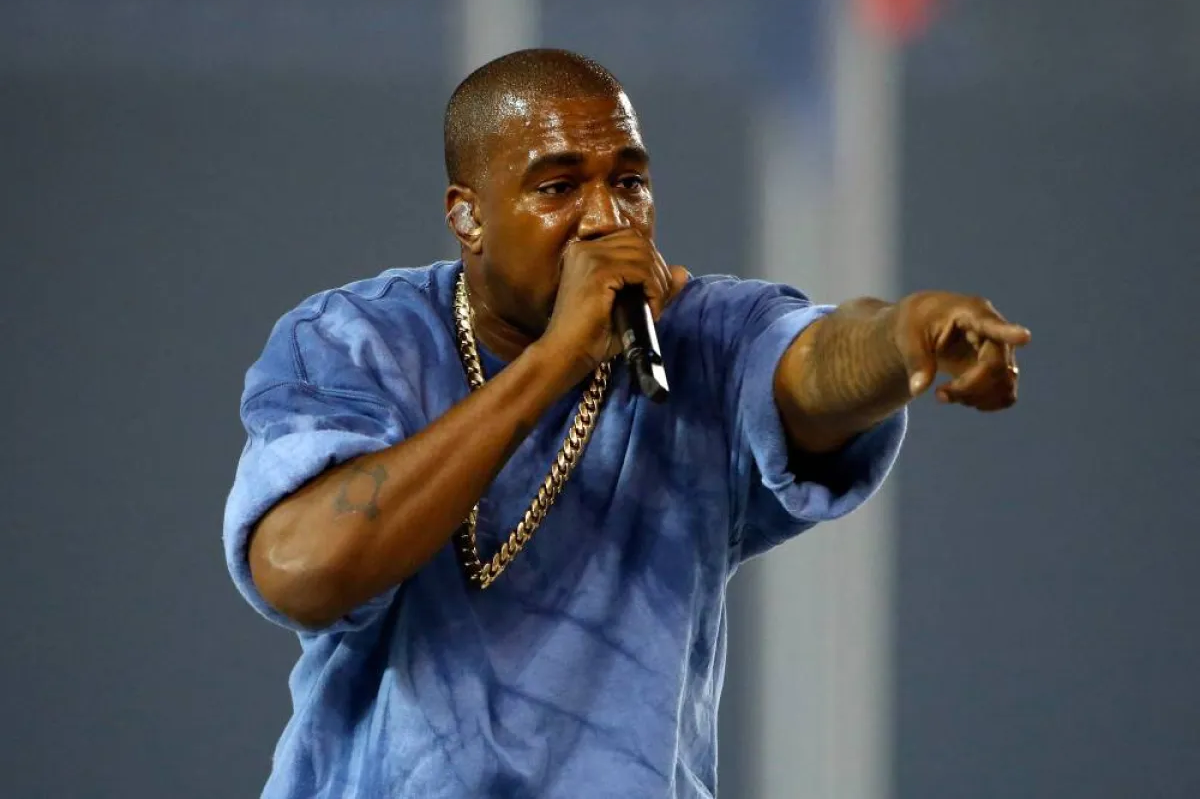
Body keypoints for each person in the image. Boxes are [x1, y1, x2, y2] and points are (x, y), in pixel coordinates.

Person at [223, 48, 1029, 798]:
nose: (608, 218)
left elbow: (816, 364)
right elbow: (300, 572)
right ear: (467, 217)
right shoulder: (353, 341)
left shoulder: (705, 333)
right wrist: (553, 364)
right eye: (558, 186)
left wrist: (904, 335)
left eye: (630, 182)